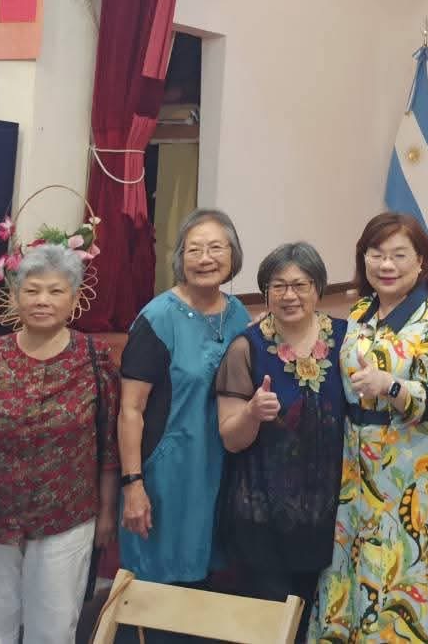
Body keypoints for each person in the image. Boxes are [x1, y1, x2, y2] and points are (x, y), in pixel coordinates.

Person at [0, 243, 119, 644]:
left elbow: (109, 441)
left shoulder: (94, 358)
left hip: (66, 512)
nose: (42, 300)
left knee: (54, 625)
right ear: (15, 297)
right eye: (32, 290)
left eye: (55, 291)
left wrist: (107, 510)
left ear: (74, 300)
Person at [311, 212, 428, 643]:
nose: (386, 265)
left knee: (402, 574)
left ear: (421, 262)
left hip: (410, 469)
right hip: (354, 466)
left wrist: (390, 386)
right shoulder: (361, 310)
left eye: (399, 255)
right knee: (347, 569)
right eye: (376, 254)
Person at [215, 241, 346, 638]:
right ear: (266, 292)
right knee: (267, 629)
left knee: (317, 627)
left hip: (329, 517)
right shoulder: (247, 347)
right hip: (262, 516)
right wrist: (252, 413)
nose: (290, 295)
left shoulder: (346, 340)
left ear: (318, 289)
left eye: (300, 285)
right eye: (278, 286)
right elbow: (230, 438)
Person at [118, 208, 251, 585]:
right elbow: (130, 409)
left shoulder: (238, 314)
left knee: (210, 584)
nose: (205, 258)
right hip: (167, 475)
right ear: (180, 258)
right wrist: (133, 485)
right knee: (158, 588)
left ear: (233, 254)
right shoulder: (158, 318)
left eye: (216, 248)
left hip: (221, 470)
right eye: (194, 250)